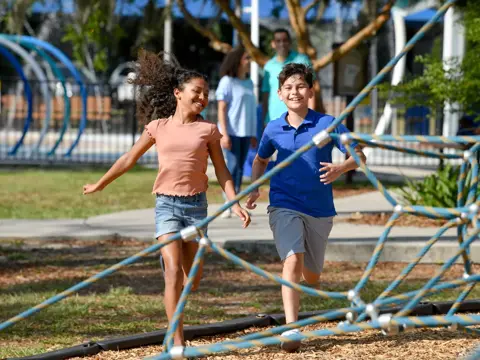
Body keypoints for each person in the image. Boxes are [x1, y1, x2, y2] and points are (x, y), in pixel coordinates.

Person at [83, 49, 251, 347]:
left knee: (193, 280)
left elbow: (223, 172)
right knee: (172, 274)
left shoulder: (208, 130)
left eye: (206, 93)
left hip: (196, 208)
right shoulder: (158, 127)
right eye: (197, 92)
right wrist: (100, 183)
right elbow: (128, 159)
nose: (202, 97)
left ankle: (177, 299)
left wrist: (233, 203)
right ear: (178, 93)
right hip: (167, 207)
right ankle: (176, 339)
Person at [246, 63, 366, 352]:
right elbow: (261, 159)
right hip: (283, 204)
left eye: (300, 86)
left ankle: (313, 282)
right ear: (279, 94)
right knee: (292, 260)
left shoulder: (328, 123)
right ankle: (291, 330)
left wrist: (342, 167)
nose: (294, 91)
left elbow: (360, 155)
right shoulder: (273, 128)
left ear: (310, 91)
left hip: (320, 211)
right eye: (288, 87)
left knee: (311, 276)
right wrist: (255, 185)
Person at [216, 46, 258, 218]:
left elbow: (251, 110)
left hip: (246, 133)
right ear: (238, 60)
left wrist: (254, 133)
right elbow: (221, 109)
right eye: (247, 58)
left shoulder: (249, 83)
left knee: (240, 168)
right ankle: (229, 201)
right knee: (232, 168)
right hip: (232, 132)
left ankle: (235, 202)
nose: (249, 62)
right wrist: (224, 134)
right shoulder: (227, 82)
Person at [261, 28, 315, 125]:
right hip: (273, 120)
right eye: (278, 41)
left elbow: (312, 88)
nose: (282, 44)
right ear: (273, 44)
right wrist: (265, 119)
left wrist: (311, 118)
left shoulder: (302, 60)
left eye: (285, 40)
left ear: (290, 42)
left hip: (300, 119)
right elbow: (266, 94)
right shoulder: (268, 66)